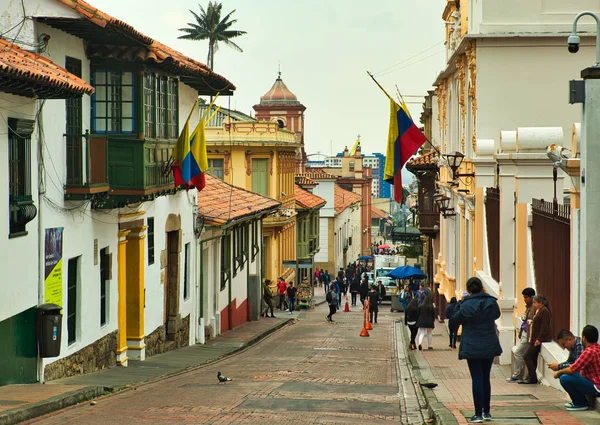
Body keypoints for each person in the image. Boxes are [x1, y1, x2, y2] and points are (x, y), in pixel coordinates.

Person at [449, 277, 502, 423]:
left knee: (477, 378)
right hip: (489, 343)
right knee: (486, 377)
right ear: (481, 287)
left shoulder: (466, 305)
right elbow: (497, 315)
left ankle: (478, 414)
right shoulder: (491, 302)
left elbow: (453, 320)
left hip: (472, 345)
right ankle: (487, 412)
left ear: (468, 290)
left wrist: (460, 303)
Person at [553, 325, 600, 411]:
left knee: (564, 378)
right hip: (593, 381)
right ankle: (578, 401)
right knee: (569, 375)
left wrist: (558, 372)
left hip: (596, 386)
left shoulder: (589, 351)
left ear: (584, 338)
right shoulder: (597, 348)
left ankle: (580, 403)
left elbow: (573, 368)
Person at [521, 295, 552, 385]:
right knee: (533, 358)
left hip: (537, 339)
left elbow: (544, 326)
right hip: (533, 338)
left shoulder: (544, 311)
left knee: (526, 356)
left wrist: (539, 338)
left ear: (540, 303)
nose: (533, 304)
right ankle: (530, 377)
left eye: (535, 302)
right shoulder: (537, 310)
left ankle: (532, 376)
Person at [507, 287, 536, 382]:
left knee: (518, 353)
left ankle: (519, 374)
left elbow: (531, 323)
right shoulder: (528, 307)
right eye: (524, 297)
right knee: (522, 354)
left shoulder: (534, 308)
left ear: (532, 297)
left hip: (528, 334)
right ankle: (520, 374)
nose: (524, 299)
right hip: (524, 332)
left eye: (526, 297)